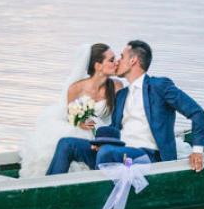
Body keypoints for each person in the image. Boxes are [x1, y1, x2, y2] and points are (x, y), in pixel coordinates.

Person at [46, 40, 204, 175]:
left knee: (107, 152)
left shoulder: (160, 86)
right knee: (67, 144)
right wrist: (99, 140)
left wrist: (197, 150)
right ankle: (47, 190)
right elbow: (115, 128)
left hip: (149, 156)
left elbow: (197, 112)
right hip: (119, 152)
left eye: (121, 57)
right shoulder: (121, 94)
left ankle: (95, 194)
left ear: (133, 61)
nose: (117, 61)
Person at [18, 43, 126, 177]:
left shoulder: (117, 86)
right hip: (83, 130)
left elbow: (119, 117)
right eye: (111, 60)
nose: (116, 63)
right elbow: (72, 116)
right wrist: (82, 122)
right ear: (98, 66)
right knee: (62, 140)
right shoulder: (76, 88)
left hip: (104, 131)